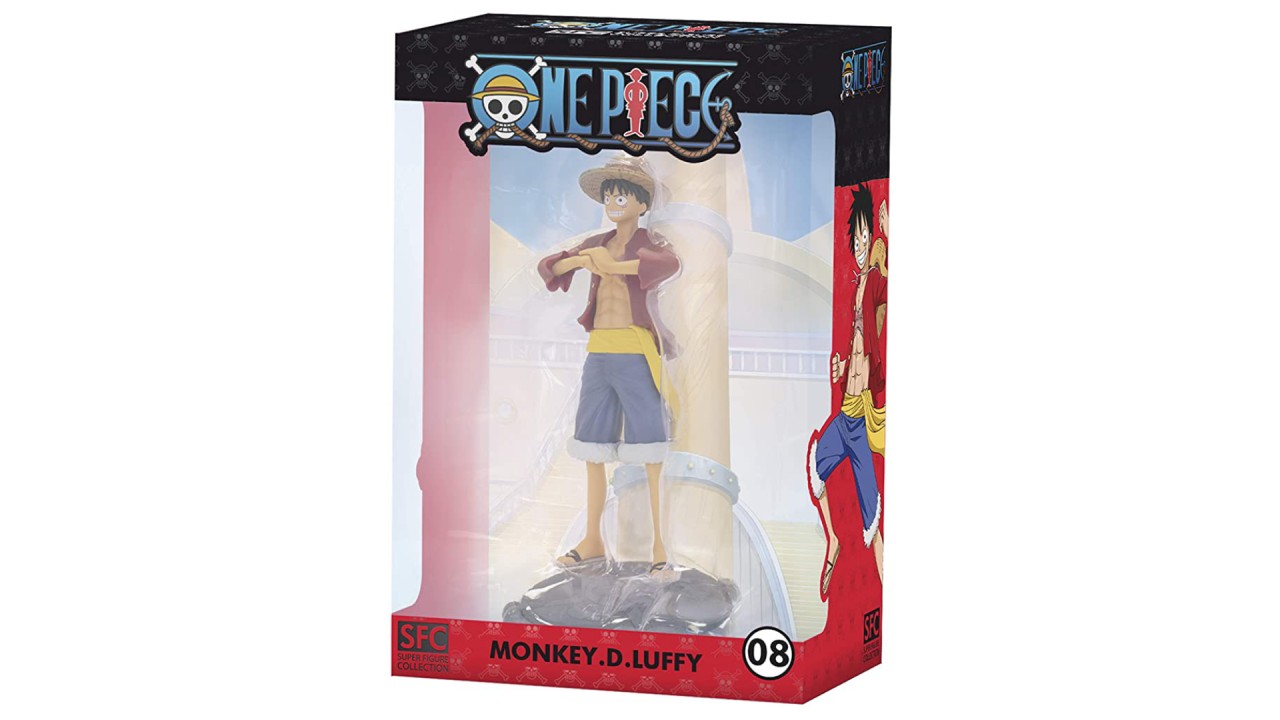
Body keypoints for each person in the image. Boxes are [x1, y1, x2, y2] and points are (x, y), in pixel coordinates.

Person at [537, 156, 680, 572]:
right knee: (592, 446)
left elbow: (669, 264)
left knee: (651, 448)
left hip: (635, 351)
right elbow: (549, 266)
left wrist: (614, 266)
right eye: (609, 197)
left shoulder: (650, 243)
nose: (614, 203)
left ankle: (660, 547)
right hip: (598, 353)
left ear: (642, 203)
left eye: (623, 197)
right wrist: (582, 260)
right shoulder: (597, 242)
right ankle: (593, 539)